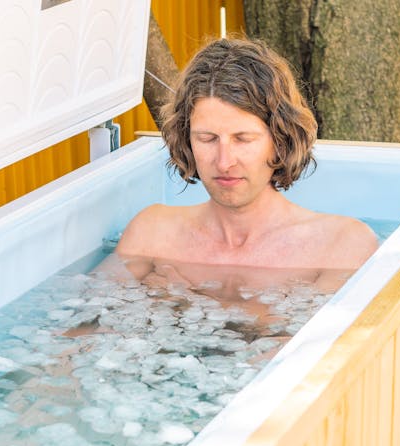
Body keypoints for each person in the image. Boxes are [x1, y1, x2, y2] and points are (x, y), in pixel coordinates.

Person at [115, 37, 378, 288]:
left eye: (243, 139)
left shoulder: (341, 244)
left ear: (280, 139)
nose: (224, 162)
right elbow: (85, 328)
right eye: (207, 139)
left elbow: (316, 336)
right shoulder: (153, 232)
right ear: (187, 140)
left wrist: (178, 304)